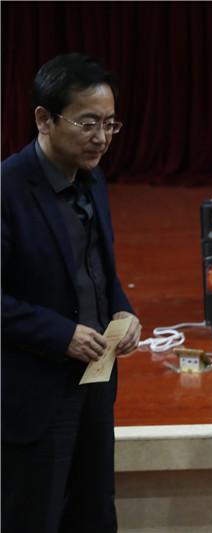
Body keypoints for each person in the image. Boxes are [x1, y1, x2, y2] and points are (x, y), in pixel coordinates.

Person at [1, 53, 141, 532]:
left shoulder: (92, 178)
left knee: (94, 511)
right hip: (35, 391)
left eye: (109, 123)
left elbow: (98, 269)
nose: (101, 137)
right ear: (44, 119)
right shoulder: (7, 189)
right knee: (36, 515)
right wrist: (61, 334)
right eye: (87, 123)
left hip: (95, 383)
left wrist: (122, 310)